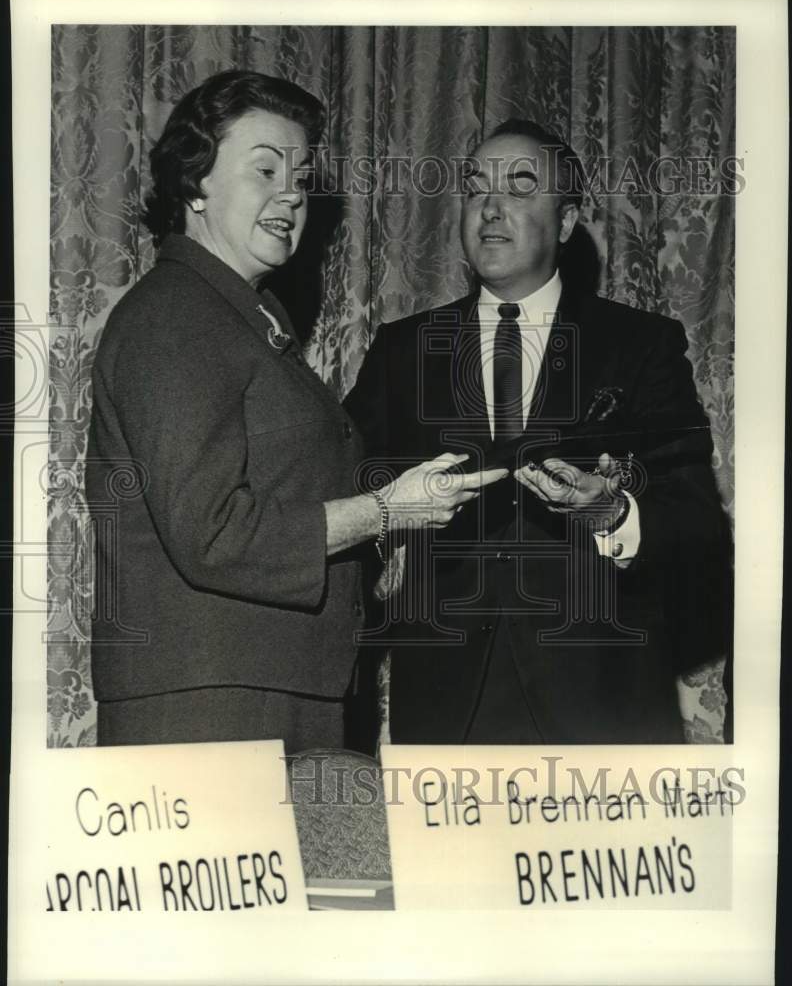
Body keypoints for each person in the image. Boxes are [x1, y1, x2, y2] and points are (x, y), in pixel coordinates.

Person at [86, 70, 505, 753]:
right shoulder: (175, 317)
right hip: (213, 707)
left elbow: (279, 493)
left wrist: (383, 538)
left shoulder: (244, 319)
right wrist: (386, 511)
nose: (291, 194)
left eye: (301, 176)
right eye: (265, 169)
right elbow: (214, 534)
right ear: (195, 185)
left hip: (277, 690)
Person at [346, 119, 733, 745]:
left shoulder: (640, 346)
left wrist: (610, 511)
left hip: (603, 710)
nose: (491, 208)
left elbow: (699, 527)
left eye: (520, 187)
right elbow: (349, 497)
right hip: (449, 713)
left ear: (569, 219)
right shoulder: (401, 350)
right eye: (475, 190)